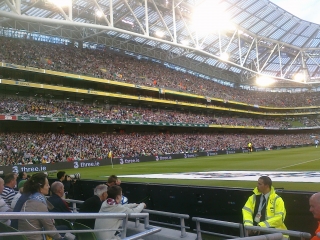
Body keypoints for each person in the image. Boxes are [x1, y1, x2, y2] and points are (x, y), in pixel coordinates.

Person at [17, 172, 68, 240]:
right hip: (35, 237)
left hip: (28, 236)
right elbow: (50, 230)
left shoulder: (30, 200)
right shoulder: (39, 204)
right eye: (47, 185)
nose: (49, 187)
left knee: (64, 229)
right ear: (40, 188)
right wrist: (60, 238)